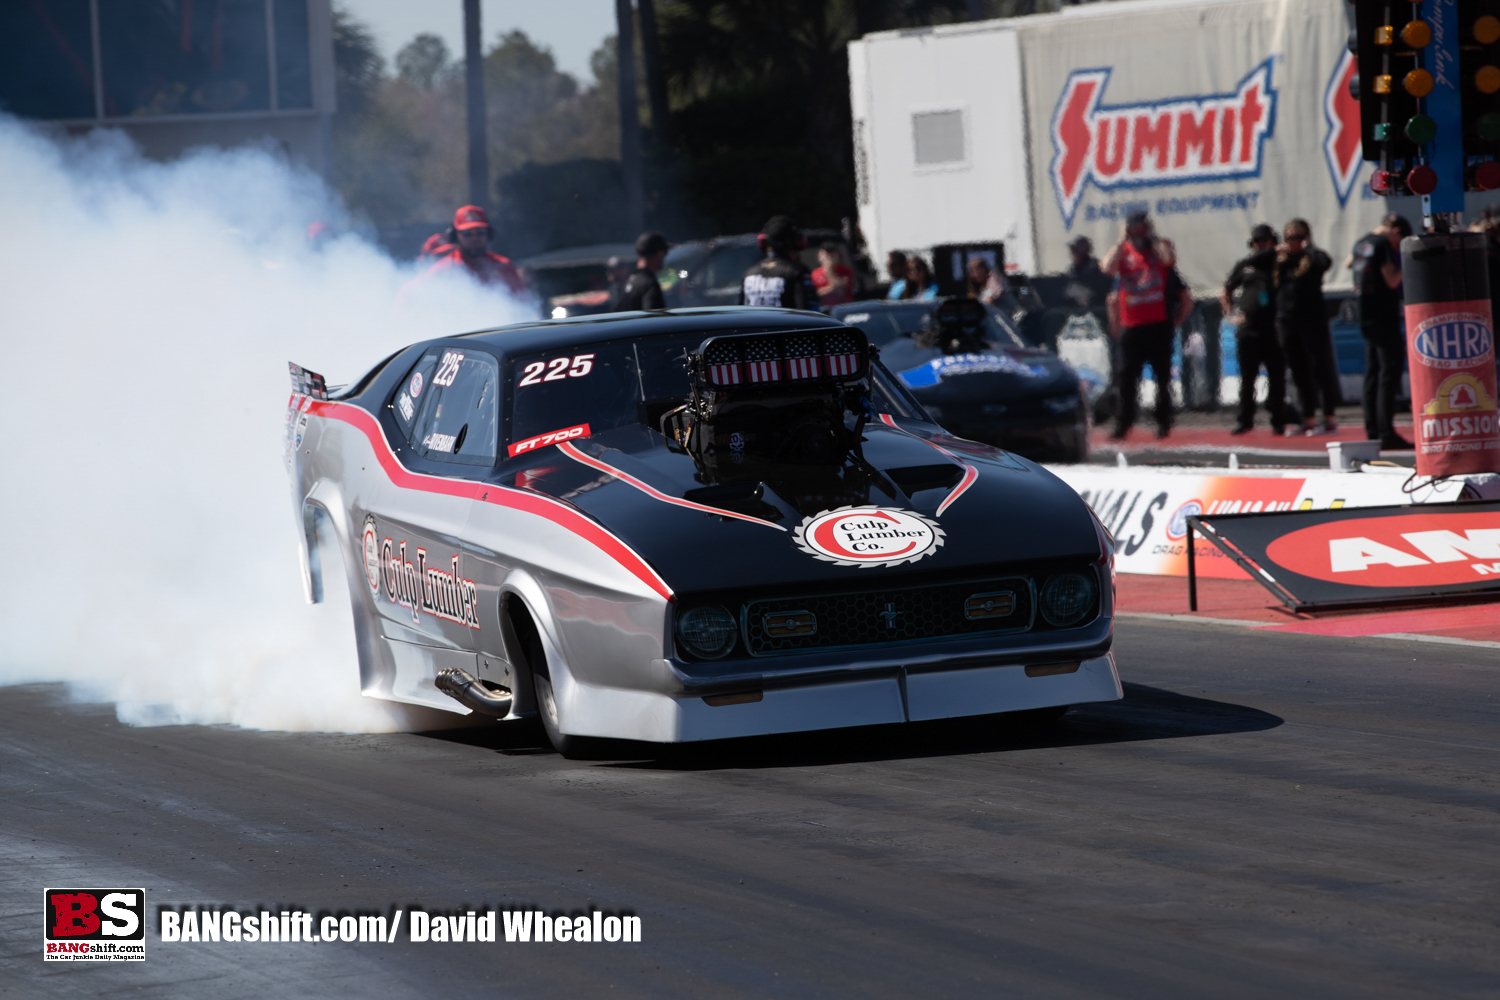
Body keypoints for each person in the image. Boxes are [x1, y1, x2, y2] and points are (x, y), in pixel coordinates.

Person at [1101, 211, 1178, 439]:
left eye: (1142, 226)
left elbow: (1168, 260)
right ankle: (1123, 423)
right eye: (1135, 226)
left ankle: (1163, 422)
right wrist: (1122, 239)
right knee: (1127, 378)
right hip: (1132, 325)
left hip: (1158, 324)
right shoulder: (1124, 251)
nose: (1139, 230)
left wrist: (1153, 237)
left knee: (1162, 379)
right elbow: (1107, 267)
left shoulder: (1158, 247)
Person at [1347, 212, 1411, 448]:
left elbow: (1348, 263)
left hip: (1366, 312)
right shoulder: (1382, 243)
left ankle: (1373, 430)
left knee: (1373, 373)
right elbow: (1392, 280)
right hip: (1383, 314)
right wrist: (1407, 260)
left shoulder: (1361, 242)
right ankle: (1386, 432)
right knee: (1388, 373)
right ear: (1395, 232)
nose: (1397, 246)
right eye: (1400, 241)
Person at [1220, 224, 1287, 435]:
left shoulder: (1279, 264)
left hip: (1273, 328)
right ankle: (1245, 419)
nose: (1261, 245)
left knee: (1277, 377)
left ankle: (1278, 419)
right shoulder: (1246, 265)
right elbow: (1226, 290)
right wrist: (1231, 314)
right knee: (1248, 378)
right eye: (1258, 242)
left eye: (1265, 241)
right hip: (1249, 329)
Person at [1275, 219, 1339, 436]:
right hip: (1287, 320)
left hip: (1312, 319)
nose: (1294, 242)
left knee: (1321, 367)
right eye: (1290, 238)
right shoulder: (1280, 262)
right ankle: (1307, 418)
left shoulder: (1312, 257)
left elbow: (1325, 261)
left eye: (1299, 237)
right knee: (1298, 370)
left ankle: (1328, 418)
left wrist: (1307, 248)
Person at [425, 205, 527, 295]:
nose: (475, 238)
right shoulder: (441, 270)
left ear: (488, 234)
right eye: (467, 233)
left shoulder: (504, 266)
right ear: (456, 235)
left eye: (480, 232)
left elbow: (522, 304)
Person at [739, 215, 819, 309]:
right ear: (797, 242)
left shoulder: (749, 274)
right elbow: (810, 315)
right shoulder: (798, 272)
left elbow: (740, 313)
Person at [610, 231, 669, 311]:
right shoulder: (649, 284)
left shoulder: (630, 280)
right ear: (659, 254)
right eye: (665, 253)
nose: (664, 258)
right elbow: (654, 321)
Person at [1064, 236, 1113, 310]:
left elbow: (1103, 290)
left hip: (1096, 308)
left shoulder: (1097, 267)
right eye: (1073, 249)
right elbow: (1068, 290)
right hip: (1076, 310)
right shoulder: (1072, 269)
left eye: (1076, 249)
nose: (1073, 252)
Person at [811, 242, 857, 308]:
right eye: (827, 253)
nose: (830, 256)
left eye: (832, 253)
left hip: (845, 307)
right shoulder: (814, 274)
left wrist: (829, 272)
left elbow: (841, 291)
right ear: (819, 256)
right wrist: (832, 288)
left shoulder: (846, 271)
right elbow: (816, 294)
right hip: (825, 309)